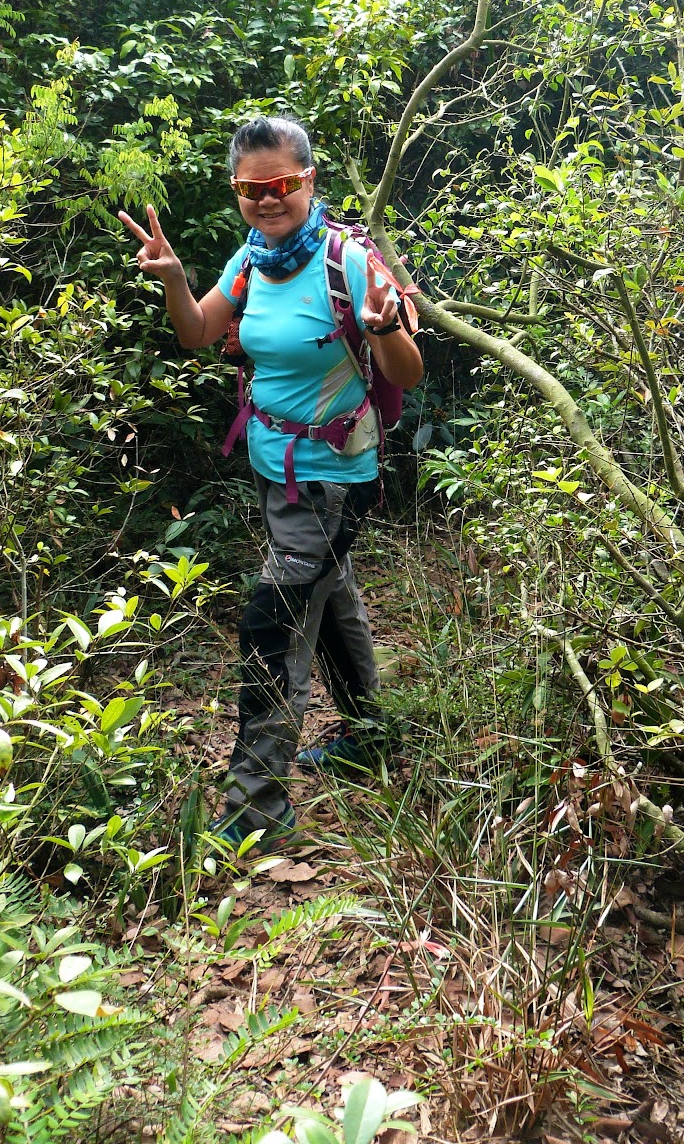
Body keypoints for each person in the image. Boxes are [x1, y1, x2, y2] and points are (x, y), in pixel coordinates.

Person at [118, 115, 423, 854]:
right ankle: (369, 734)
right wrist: (175, 280)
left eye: (281, 184)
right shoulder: (252, 259)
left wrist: (385, 330)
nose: (267, 199)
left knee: (272, 621)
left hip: (332, 477)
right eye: (251, 189)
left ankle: (255, 801)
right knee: (329, 592)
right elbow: (197, 332)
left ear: (308, 180)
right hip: (272, 467)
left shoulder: (348, 261)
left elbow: (408, 373)